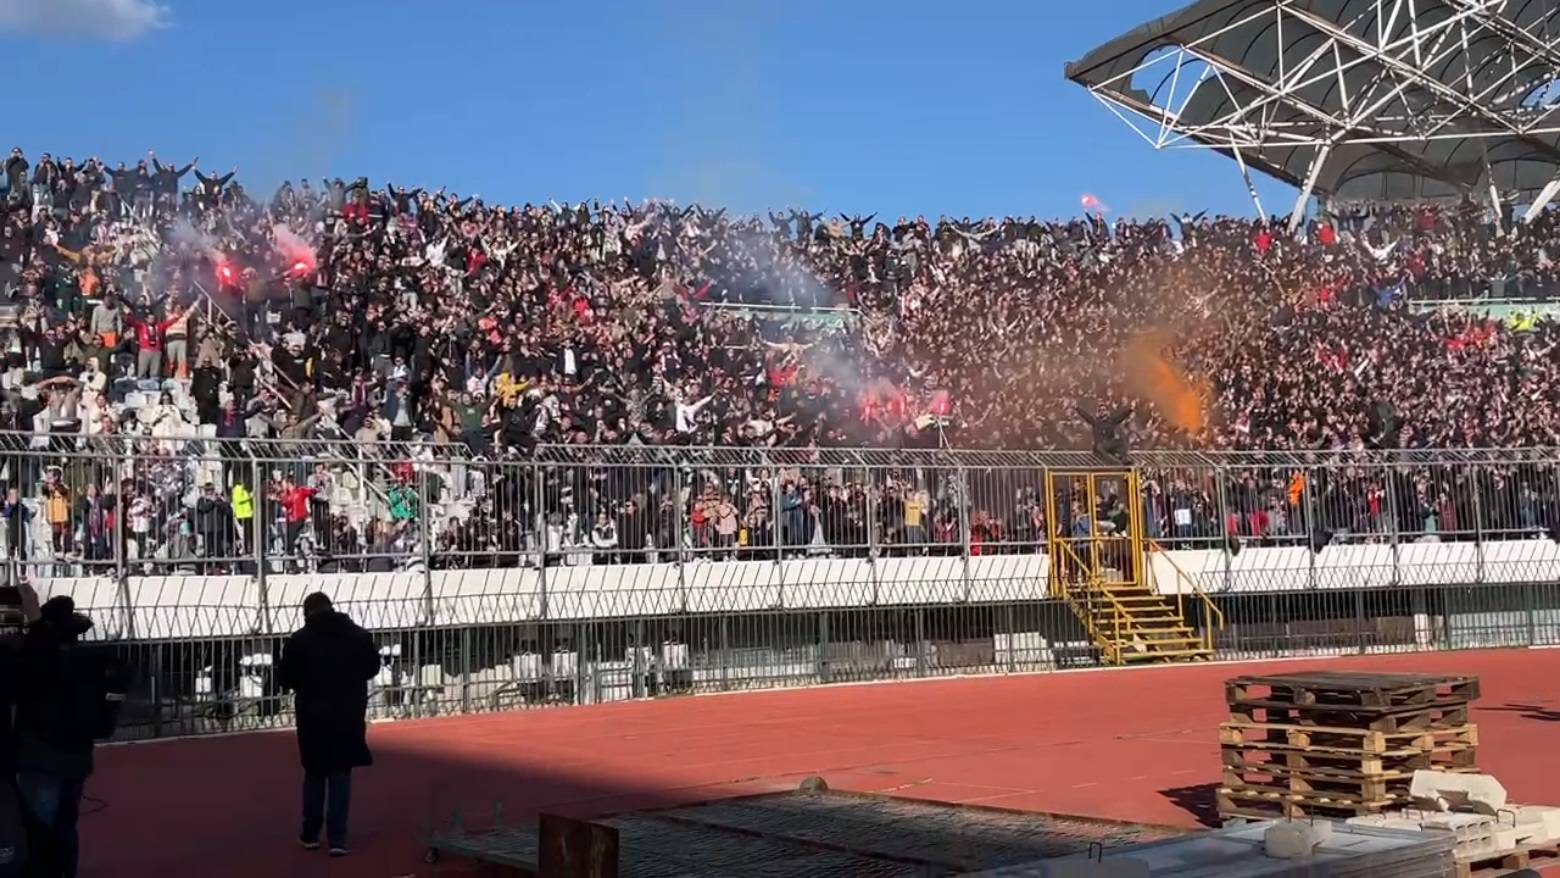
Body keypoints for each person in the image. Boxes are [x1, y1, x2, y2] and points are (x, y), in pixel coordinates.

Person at [277, 593, 379, 857]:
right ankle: (338, 838)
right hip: (348, 712)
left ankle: (310, 833)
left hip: (313, 714)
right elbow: (372, 669)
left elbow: (286, 678)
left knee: (314, 773)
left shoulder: (299, 641)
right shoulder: (358, 636)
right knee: (340, 773)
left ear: (307, 612)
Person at [12, 596, 105, 878]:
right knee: (66, 823)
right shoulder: (84, 661)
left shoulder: (39, 658)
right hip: (77, 755)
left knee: (40, 823)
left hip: (43, 754)